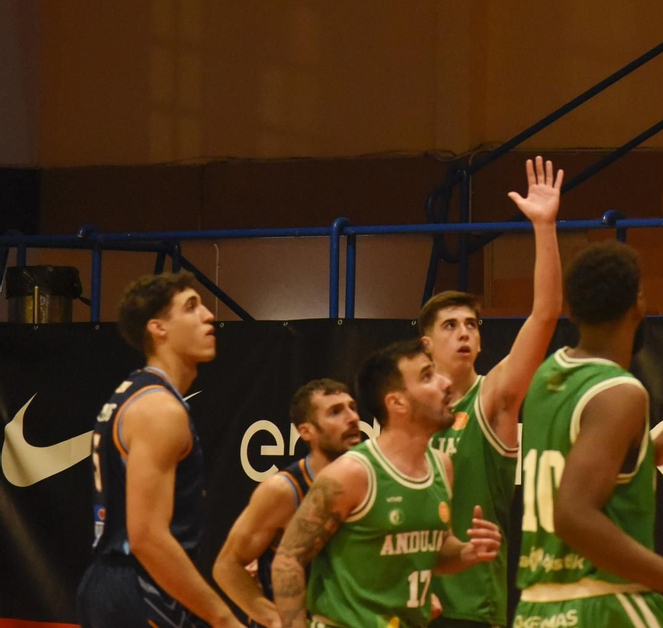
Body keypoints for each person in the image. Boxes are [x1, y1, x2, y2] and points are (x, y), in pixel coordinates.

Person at [516, 241, 663, 628]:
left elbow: (574, 473)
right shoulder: (620, 392)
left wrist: (647, 452)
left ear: (572, 310)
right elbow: (572, 512)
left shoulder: (545, 378)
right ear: (639, 303)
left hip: (537, 608)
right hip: (606, 602)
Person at [421, 156, 565, 628]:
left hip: (471, 610)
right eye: (450, 325)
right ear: (427, 344)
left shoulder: (493, 398)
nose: (464, 332)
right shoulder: (407, 412)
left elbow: (544, 315)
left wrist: (544, 226)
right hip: (409, 605)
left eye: (471, 325)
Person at [270, 340, 503, 628]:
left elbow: (436, 551)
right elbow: (288, 560)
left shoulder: (442, 466)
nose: (445, 383)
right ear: (397, 402)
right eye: (428, 375)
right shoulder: (352, 474)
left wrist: (467, 552)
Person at [78, 272, 244, 628]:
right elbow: (147, 538)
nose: (208, 316)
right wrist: (223, 618)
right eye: (191, 307)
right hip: (141, 584)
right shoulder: (160, 409)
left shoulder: (134, 393)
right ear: (159, 328)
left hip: (113, 578)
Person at [213, 379, 364, 628]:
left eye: (352, 407)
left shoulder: (370, 480)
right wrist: (276, 619)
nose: (352, 418)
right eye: (335, 411)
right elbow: (227, 566)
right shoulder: (283, 491)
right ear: (306, 431)